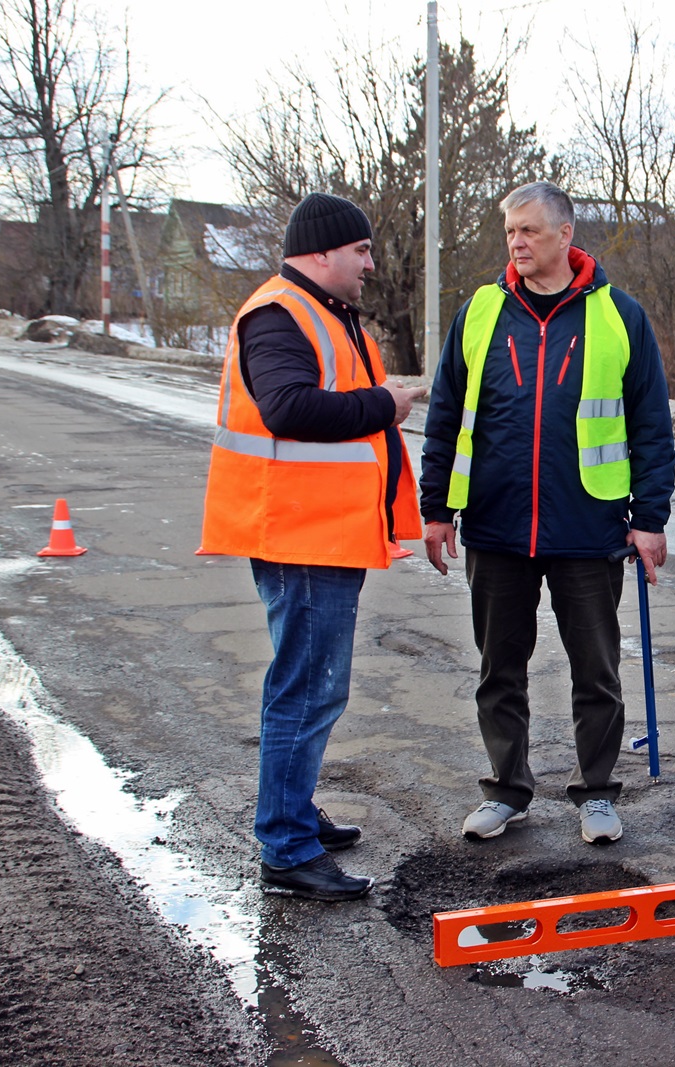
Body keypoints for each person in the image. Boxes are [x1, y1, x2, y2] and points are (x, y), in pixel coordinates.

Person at [421, 180, 675, 846]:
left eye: (530, 230)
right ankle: (507, 789)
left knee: (596, 669)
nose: (517, 242)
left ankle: (596, 792)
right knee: (497, 667)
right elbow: (446, 415)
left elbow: (651, 425)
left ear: (566, 235)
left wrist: (649, 517)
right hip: (496, 523)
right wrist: (436, 508)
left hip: (587, 524)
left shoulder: (620, 315)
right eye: (510, 231)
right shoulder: (480, 312)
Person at [200, 192, 427, 901]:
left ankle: (293, 813)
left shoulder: (325, 313)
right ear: (322, 251)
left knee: (312, 685)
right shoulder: (279, 313)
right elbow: (288, 407)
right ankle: (287, 848)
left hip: (324, 534)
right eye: (360, 251)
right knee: (308, 688)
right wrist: (382, 405)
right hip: (301, 538)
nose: (369, 264)